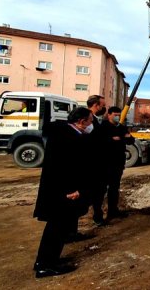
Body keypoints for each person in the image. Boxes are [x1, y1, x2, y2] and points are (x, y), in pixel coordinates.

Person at [33, 107, 93, 278]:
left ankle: (44, 261)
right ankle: (45, 266)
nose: (90, 124)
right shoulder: (68, 138)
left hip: (59, 192)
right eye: (89, 121)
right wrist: (71, 190)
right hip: (63, 194)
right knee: (57, 229)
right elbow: (63, 167)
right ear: (81, 122)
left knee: (56, 228)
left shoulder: (63, 133)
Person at [98, 106, 135, 219]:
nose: (117, 117)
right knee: (101, 189)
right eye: (115, 115)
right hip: (105, 163)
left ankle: (113, 211)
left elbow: (131, 140)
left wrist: (121, 138)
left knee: (114, 188)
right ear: (109, 115)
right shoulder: (102, 127)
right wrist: (112, 139)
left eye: (119, 115)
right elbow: (100, 141)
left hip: (118, 162)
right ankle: (98, 214)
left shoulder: (121, 127)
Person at [86, 95, 107, 225]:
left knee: (99, 192)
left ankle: (98, 216)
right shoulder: (86, 120)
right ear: (96, 105)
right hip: (90, 164)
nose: (104, 108)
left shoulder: (95, 119)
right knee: (92, 192)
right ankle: (71, 231)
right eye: (103, 105)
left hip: (98, 164)